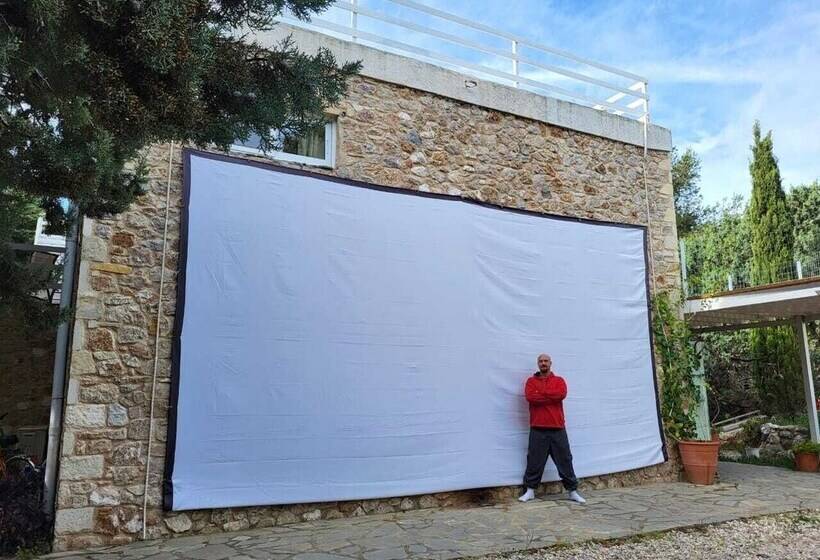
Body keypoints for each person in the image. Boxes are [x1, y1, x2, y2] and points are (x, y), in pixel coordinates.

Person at [518, 353, 586, 504]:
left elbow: (560, 394)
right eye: (541, 361)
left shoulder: (559, 381)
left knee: (565, 459)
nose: (543, 363)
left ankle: (572, 491)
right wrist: (549, 396)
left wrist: (542, 394)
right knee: (534, 460)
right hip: (537, 427)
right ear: (538, 364)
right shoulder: (531, 381)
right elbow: (531, 397)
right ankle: (530, 491)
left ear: (550, 363)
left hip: (557, 427)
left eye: (546, 361)